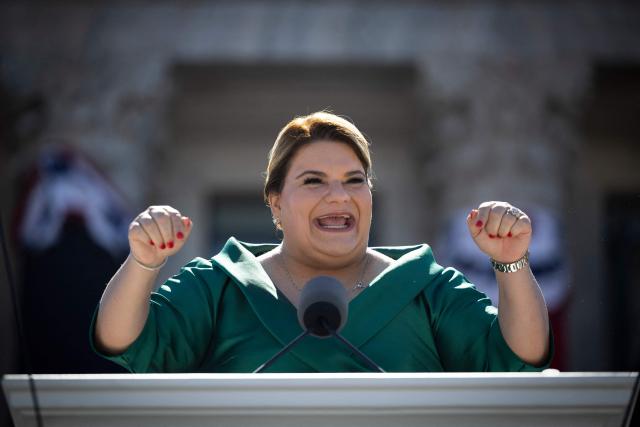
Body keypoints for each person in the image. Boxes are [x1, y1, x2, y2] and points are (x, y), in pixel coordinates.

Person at [92, 111, 551, 373]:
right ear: (275, 203)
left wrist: (512, 263)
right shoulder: (222, 284)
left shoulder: (425, 287)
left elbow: (520, 356)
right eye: (314, 181)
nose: (339, 195)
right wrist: (142, 263)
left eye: (355, 180)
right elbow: (123, 340)